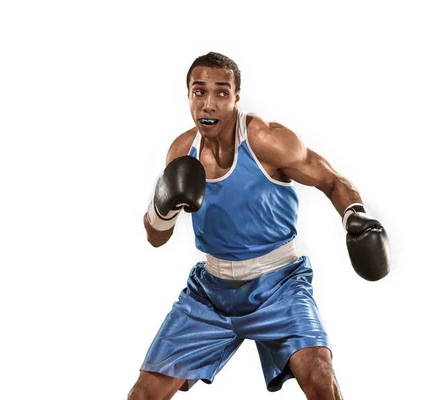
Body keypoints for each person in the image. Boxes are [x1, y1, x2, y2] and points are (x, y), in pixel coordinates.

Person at [128, 52, 390, 400]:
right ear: (188, 96)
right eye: (199, 92)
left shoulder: (265, 140)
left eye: (222, 93)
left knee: (319, 377)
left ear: (237, 96)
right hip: (211, 293)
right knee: (144, 393)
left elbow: (330, 180)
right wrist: (161, 208)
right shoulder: (181, 153)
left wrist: (354, 214)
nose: (209, 104)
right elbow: (156, 238)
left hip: (279, 284)